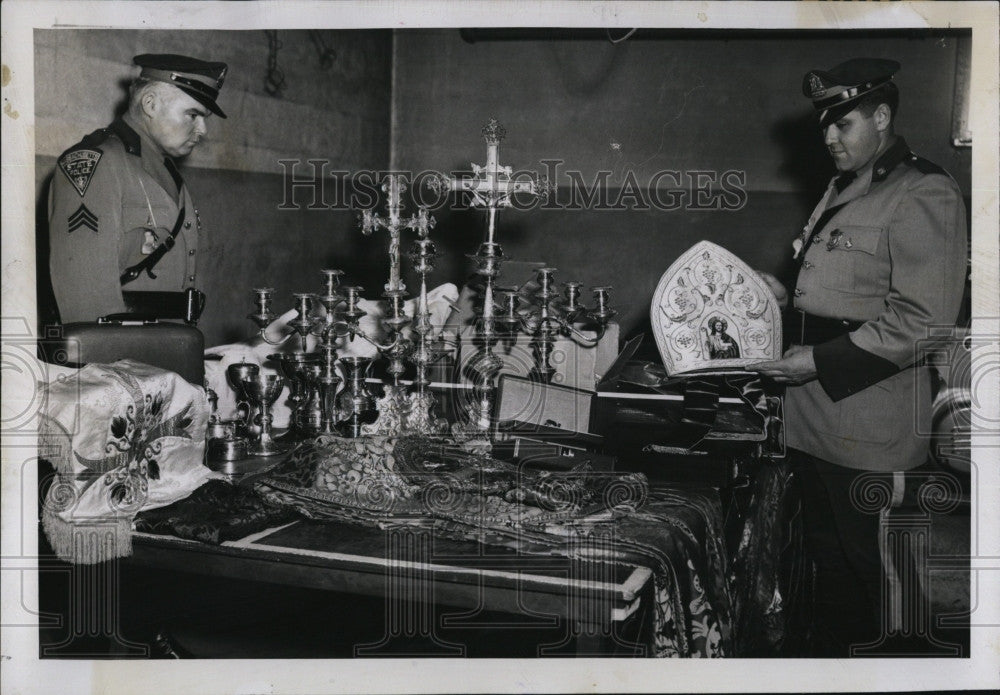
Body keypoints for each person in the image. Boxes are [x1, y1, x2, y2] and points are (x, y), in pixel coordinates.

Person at [752, 58, 967, 656]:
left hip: (872, 429)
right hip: (814, 422)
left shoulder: (924, 190)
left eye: (841, 124)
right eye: (824, 125)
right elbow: (840, 294)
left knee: (887, 588)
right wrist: (779, 298)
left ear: (881, 116)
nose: (828, 138)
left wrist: (816, 361)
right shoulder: (845, 186)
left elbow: (924, 321)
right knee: (831, 576)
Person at [48, 53, 229, 323]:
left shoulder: (165, 170)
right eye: (193, 115)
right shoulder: (96, 164)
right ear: (150, 104)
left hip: (164, 348)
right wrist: (124, 366)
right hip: (123, 359)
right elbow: (86, 303)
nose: (202, 129)